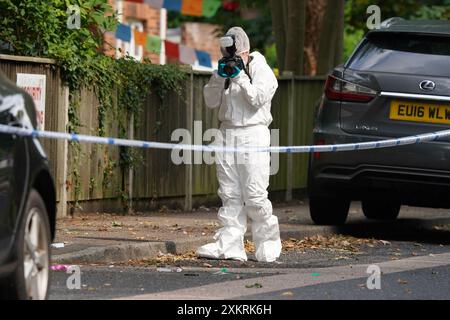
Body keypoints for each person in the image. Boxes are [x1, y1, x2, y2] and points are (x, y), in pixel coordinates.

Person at [196, 27, 281, 262]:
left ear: (245, 52)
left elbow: (257, 99)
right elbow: (211, 101)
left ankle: (267, 243)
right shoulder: (226, 69)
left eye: (235, 57)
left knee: (254, 195)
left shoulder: (261, 69)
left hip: (254, 134)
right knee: (230, 194)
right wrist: (219, 76)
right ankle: (230, 245)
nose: (232, 62)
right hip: (227, 133)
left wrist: (241, 77)